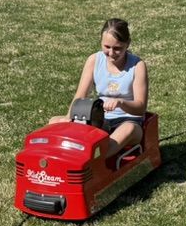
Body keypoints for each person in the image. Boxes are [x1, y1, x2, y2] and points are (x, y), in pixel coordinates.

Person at [50, 18, 148, 159]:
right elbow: (80, 96)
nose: (111, 53)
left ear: (128, 44)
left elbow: (140, 107)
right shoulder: (94, 60)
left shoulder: (137, 66)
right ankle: (59, 158)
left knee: (128, 129)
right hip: (99, 119)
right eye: (107, 47)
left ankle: (94, 160)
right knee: (54, 122)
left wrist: (121, 103)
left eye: (117, 48)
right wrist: (68, 117)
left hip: (129, 121)